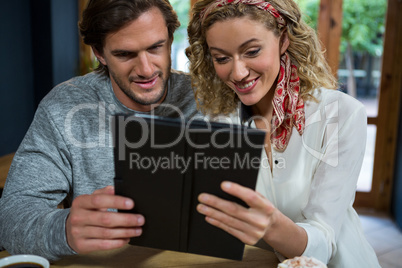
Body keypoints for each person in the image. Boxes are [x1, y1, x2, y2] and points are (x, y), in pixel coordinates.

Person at [185, 0, 380, 267]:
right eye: (221, 58)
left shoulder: (342, 114)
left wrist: (272, 226)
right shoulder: (213, 124)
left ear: (283, 39)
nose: (238, 72)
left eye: (252, 51)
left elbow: (323, 239)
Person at [0, 0, 199, 261]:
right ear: (99, 53)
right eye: (125, 54)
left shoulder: (207, 97)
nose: (146, 69)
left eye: (155, 47)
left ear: (171, 40)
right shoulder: (65, 106)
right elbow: (12, 219)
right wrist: (64, 230)